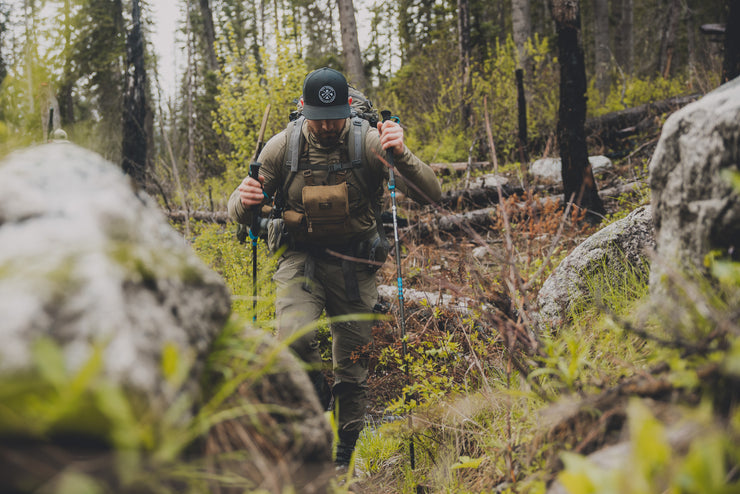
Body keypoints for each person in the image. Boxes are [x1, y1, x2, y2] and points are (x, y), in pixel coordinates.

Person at [228, 67, 442, 468]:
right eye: (317, 117)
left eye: (333, 117)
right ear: (304, 113)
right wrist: (245, 198)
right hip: (300, 259)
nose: (326, 126)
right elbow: (237, 211)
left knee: (353, 365)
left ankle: (343, 455)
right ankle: (316, 396)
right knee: (292, 339)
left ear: (347, 110)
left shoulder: (370, 143)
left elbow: (433, 194)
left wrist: (402, 153)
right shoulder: (282, 147)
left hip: (355, 263)